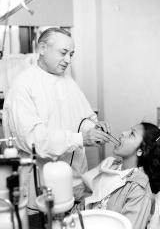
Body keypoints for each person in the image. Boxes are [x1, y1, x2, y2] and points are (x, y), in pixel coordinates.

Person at [2, 28, 111, 216]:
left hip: (75, 178)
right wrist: (80, 138)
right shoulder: (23, 87)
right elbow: (35, 140)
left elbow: (81, 118)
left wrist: (95, 127)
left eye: (72, 54)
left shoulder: (68, 81)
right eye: (63, 53)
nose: (68, 60)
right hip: (43, 184)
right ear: (42, 48)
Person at [73, 122, 160, 229]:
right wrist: (84, 205)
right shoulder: (112, 166)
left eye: (132, 134)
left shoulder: (138, 189)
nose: (123, 133)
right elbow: (97, 196)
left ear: (140, 151)